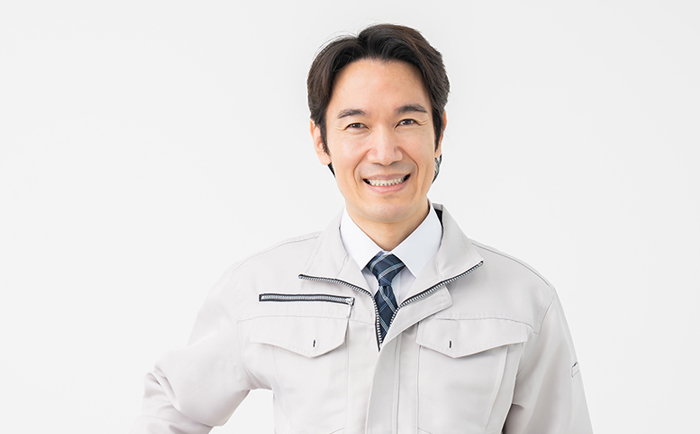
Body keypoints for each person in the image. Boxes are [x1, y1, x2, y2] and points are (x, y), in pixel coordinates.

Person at [131, 24, 593, 434]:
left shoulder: (523, 302)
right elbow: (173, 406)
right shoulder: (260, 290)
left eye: (407, 121)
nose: (385, 152)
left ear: (439, 132)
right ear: (321, 141)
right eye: (357, 125)